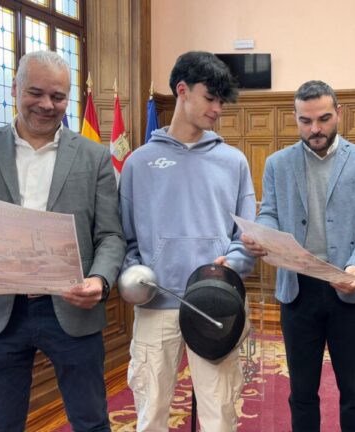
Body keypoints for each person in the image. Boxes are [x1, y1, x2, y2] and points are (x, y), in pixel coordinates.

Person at [0, 50, 126, 432]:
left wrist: (99, 281)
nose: (47, 105)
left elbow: (111, 235)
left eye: (59, 96)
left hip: (71, 310)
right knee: (2, 425)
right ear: (16, 88)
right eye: (36, 92)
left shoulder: (94, 157)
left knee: (91, 421)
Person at [119, 51, 256, 432]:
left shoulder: (234, 162)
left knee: (220, 416)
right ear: (182, 91)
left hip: (215, 302)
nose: (217, 109)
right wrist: (135, 274)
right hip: (156, 304)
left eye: (221, 101)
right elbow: (125, 237)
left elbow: (246, 235)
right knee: (151, 414)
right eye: (210, 98)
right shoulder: (139, 163)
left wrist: (234, 263)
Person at [241, 80, 355, 431]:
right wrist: (263, 235)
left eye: (323, 119)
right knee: (301, 391)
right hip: (297, 290)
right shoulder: (278, 163)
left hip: (346, 286)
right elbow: (269, 212)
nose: (315, 129)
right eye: (305, 121)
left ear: (339, 113)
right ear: (296, 118)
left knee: (354, 390)